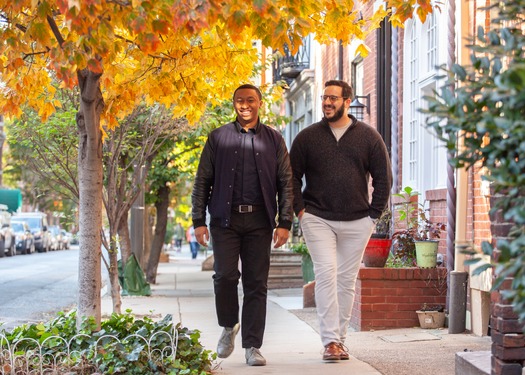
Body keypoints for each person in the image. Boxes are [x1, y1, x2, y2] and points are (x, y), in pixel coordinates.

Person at [191, 83, 294, 366]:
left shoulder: (274, 140)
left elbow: (286, 182)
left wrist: (285, 221)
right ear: (234, 104)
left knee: (256, 284)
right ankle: (228, 325)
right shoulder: (217, 138)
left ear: (259, 103)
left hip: (260, 221)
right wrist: (198, 220)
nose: (244, 105)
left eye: (250, 100)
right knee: (224, 276)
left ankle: (252, 346)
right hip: (225, 220)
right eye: (239, 100)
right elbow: (203, 181)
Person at [289, 80, 392, 361]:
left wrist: (374, 215)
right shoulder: (307, 137)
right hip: (317, 218)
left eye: (333, 98)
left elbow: (384, 178)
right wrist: (300, 211)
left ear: (348, 101)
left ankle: (340, 339)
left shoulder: (369, 137)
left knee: (346, 281)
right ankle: (330, 341)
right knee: (325, 275)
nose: (327, 103)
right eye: (324, 98)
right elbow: (291, 178)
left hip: (358, 220)